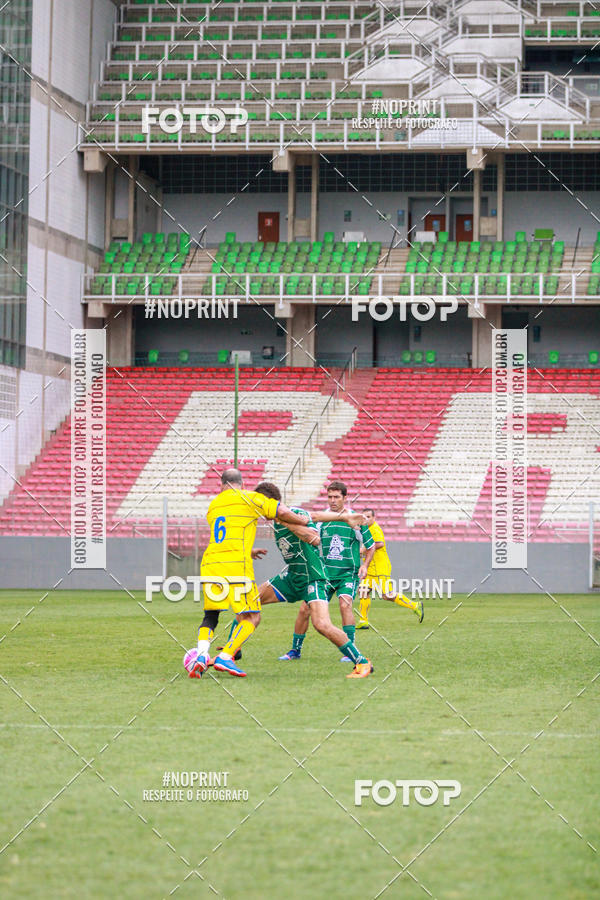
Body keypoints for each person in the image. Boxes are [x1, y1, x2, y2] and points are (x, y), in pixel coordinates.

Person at [185, 467, 311, 679]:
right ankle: (226, 656)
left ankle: (202, 656)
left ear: (221, 485)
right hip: (236, 567)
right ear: (242, 484)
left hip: (211, 564)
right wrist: (304, 521)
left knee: (211, 615)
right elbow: (282, 512)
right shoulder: (249, 498)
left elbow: (226, 533)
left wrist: (247, 549)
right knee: (253, 617)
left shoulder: (214, 505)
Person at [255, 482, 373, 678]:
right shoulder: (321, 517)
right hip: (303, 575)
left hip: (337, 575)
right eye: (330, 496)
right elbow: (315, 517)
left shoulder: (355, 520)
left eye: (337, 497)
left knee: (338, 610)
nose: (333, 500)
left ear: (345, 497)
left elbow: (370, 545)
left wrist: (364, 565)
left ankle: (358, 658)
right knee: (255, 601)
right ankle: (231, 654)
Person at [357, 508, 424, 628]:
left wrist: (363, 549)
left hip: (379, 568)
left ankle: (415, 605)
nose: (366, 519)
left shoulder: (375, 528)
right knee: (363, 591)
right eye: (364, 517)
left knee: (387, 595)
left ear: (374, 518)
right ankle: (363, 621)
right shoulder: (366, 529)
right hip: (371, 568)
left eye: (369, 517)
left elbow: (380, 543)